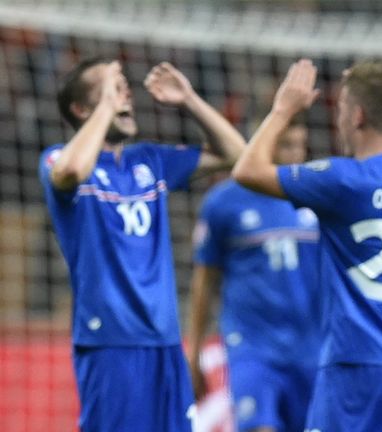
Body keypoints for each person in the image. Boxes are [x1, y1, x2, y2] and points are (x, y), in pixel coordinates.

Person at [39, 58, 245, 431]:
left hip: (164, 339)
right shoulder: (56, 158)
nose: (125, 96)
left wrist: (189, 100)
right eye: (114, 89)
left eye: (124, 90)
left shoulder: (150, 161)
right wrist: (105, 109)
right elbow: (69, 171)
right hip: (111, 341)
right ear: (82, 109)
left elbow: (236, 153)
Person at [232, 59, 382, 431]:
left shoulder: (341, 182)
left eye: (341, 107)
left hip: (355, 365)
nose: (338, 117)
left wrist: (283, 109)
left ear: (356, 115)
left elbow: (247, 169)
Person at [186, 123, 322, 432]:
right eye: (286, 145)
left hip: (311, 350)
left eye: (300, 145)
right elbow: (204, 283)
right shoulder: (223, 202)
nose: (295, 154)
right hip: (253, 348)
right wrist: (193, 352)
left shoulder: (316, 198)